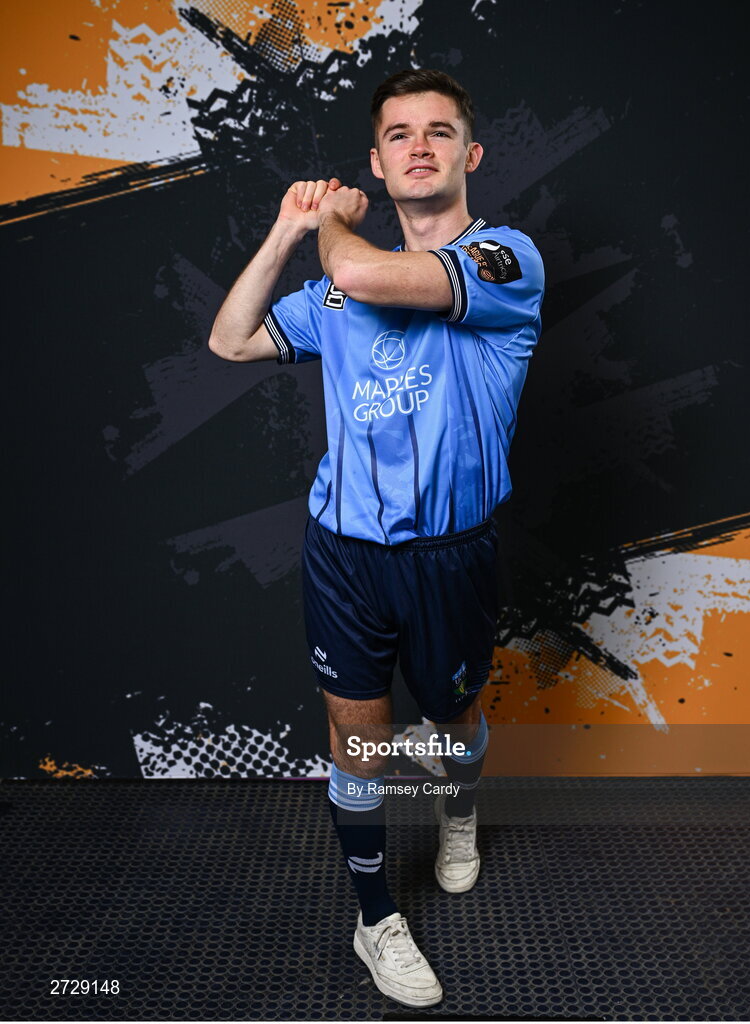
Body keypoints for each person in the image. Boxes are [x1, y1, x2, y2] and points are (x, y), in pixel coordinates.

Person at [208, 68, 545, 1008]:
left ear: (469, 155)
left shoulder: (504, 260)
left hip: (452, 553)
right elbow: (231, 341)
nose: (420, 145)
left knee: (451, 721)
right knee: (358, 735)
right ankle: (374, 922)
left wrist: (328, 224)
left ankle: (459, 816)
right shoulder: (329, 296)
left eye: (439, 131)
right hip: (345, 551)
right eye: (399, 134)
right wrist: (287, 227)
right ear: (378, 162)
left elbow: (358, 270)